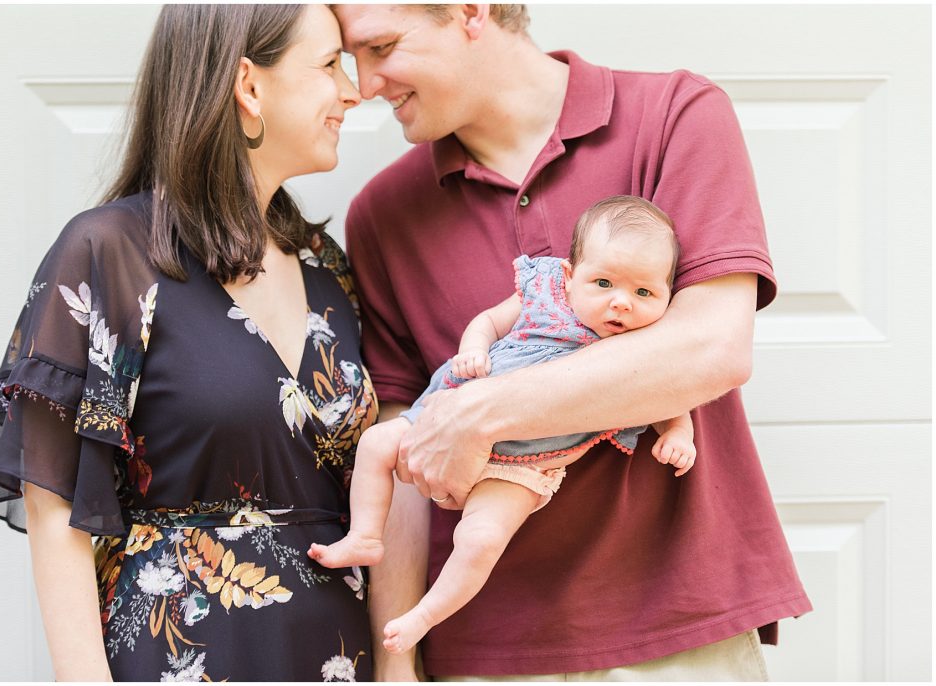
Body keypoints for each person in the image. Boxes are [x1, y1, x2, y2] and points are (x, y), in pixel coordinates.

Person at [334, 3, 812, 681]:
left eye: (381, 47)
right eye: (351, 57)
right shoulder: (382, 215)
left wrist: (482, 411)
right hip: (482, 652)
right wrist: (396, 663)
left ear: (470, 11)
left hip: (680, 636)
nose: (365, 83)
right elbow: (410, 451)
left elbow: (711, 349)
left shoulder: (674, 113)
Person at [0, 5, 377, 681]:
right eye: (331, 65)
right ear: (249, 85)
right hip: (181, 655)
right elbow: (56, 504)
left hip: (335, 652)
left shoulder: (324, 265)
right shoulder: (111, 254)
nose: (354, 90)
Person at [310, 195, 697, 655]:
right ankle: (365, 536)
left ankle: (423, 617)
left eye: (644, 293)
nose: (622, 304)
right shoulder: (546, 292)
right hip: (450, 412)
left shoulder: (645, 343)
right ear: (571, 276)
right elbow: (489, 321)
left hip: (522, 466)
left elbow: (668, 388)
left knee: (481, 538)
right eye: (604, 282)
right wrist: (474, 346)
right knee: (376, 443)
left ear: (667, 297)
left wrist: (678, 432)